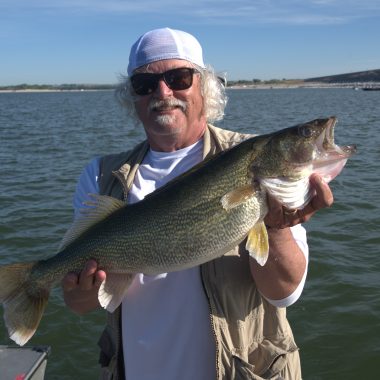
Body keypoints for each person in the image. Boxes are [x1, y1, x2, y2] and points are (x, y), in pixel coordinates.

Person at [62, 28, 334, 380]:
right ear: (132, 96)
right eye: (145, 83)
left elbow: (283, 293)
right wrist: (77, 287)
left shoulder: (253, 157)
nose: (163, 92)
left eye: (178, 78)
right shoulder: (102, 177)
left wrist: (277, 229)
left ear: (205, 87)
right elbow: (78, 304)